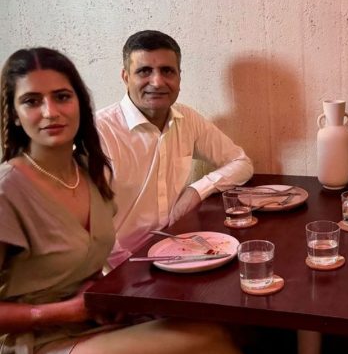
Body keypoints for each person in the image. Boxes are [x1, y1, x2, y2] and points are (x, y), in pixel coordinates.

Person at [0, 47, 260, 354]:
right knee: (209, 334)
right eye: (32, 101)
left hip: (95, 326)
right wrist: (66, 311)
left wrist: (100, 297)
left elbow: (84, 265)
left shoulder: (89, 172)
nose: (50, 112)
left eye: (62, 96)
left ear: (79, 102)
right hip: (35, 348)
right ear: (15, 114)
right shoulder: (9, 190)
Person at [96, 30, 254, 268]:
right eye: (144, 71)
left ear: (179, 77)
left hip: (177, 251)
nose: (157, 82)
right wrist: (126, 270)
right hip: (124, 266)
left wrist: (196, 190)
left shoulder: (187, 118)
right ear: (125, 76)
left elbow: (242, 164)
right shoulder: (99, 131)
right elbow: (92, 224)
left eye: (167, 71)